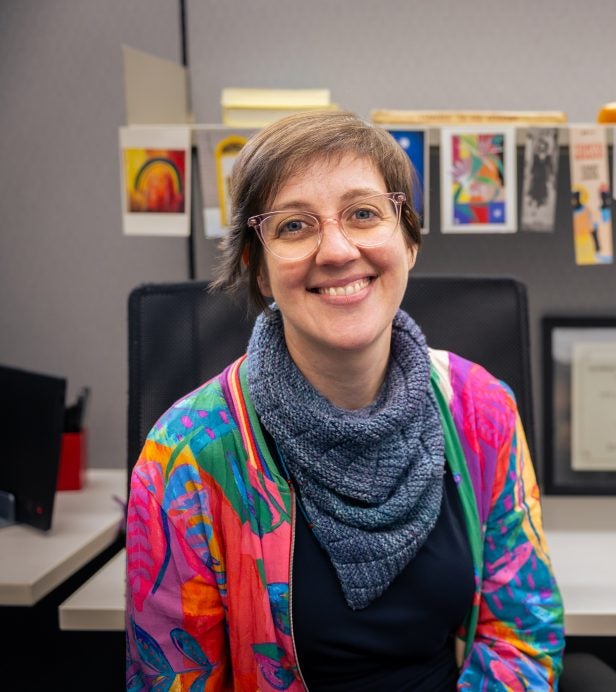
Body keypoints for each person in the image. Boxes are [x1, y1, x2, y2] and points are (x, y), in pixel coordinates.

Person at [125, 110, 564, 691]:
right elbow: (172, 681)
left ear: (408, 241)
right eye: (294, 227)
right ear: (257, 269)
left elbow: (523, 635)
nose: (336, 250)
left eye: (363, 213)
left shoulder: (482, 410)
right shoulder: (186, 455)